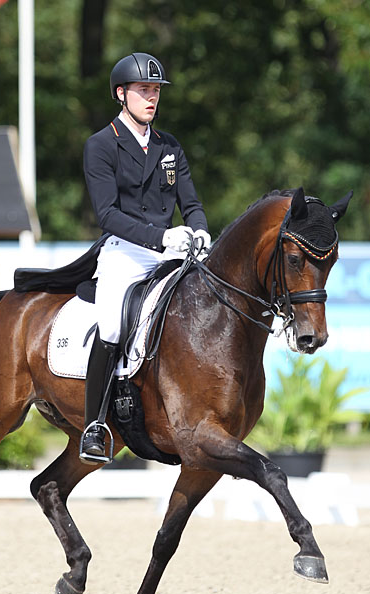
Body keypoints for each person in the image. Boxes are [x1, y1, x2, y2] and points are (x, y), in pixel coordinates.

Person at [80, 52, 210, 464]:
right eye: (143, 90)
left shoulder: (169, 145)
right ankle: (94, 426)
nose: (151, 98)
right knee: (114, 327)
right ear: (122, 94)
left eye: (155, 91)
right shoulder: (101, 145)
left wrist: (201, 229)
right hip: (126, 253)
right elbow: (108, 215)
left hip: (171, 252)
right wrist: (160, 237)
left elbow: (190, 203)